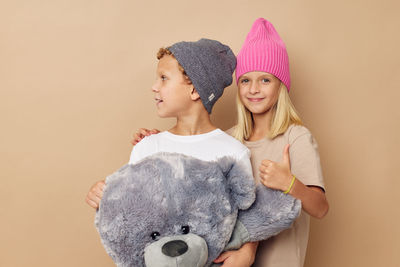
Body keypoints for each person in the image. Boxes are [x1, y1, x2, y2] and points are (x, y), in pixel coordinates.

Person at [131, 18, 329, 267]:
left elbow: (321, 208)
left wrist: (289, 183)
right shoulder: (231, 139)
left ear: (281, 85)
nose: (254, 89)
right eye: (246, 80)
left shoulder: (295, 137)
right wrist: (159, 140)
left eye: (265, 80)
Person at [86, 38, 259, 266]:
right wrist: (103, 195)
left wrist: (248, 252)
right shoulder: (148, 147)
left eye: (164, 78)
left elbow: (248, 212)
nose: (154, 86)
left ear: (195, 90)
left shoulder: (233, 152)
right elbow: (133, 214)